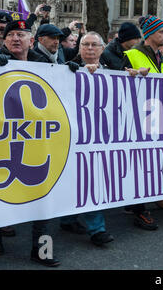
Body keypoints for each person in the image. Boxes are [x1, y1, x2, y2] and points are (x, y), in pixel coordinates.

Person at [0, 20, 59, 267]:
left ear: (31, 41)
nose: (15, 38)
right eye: (10, 34)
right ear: (3, 41)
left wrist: (73, 72)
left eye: (21, 34)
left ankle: (42, 250)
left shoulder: (47, 66)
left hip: (38, 140)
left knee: (44, 197)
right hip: (1, 141)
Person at [120, 15, 163, 230]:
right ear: (149, 34)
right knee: (139, 163)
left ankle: (141, 202)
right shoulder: (131, 55)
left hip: (159, 119)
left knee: (152, 163)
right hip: (137, 120)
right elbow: (118, 82)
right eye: (161, 32)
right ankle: (140, 210)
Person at [61, 32, 116, 246]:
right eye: (85, 45)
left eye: (94, 45)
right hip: (72, 135)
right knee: (72, 180)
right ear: (79, 48)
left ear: (102, 49)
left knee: (91, 181)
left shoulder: (113, 73)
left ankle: (97, 230)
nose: (90, 49)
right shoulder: (65, 69)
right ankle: (67, 219)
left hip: (98, 137)